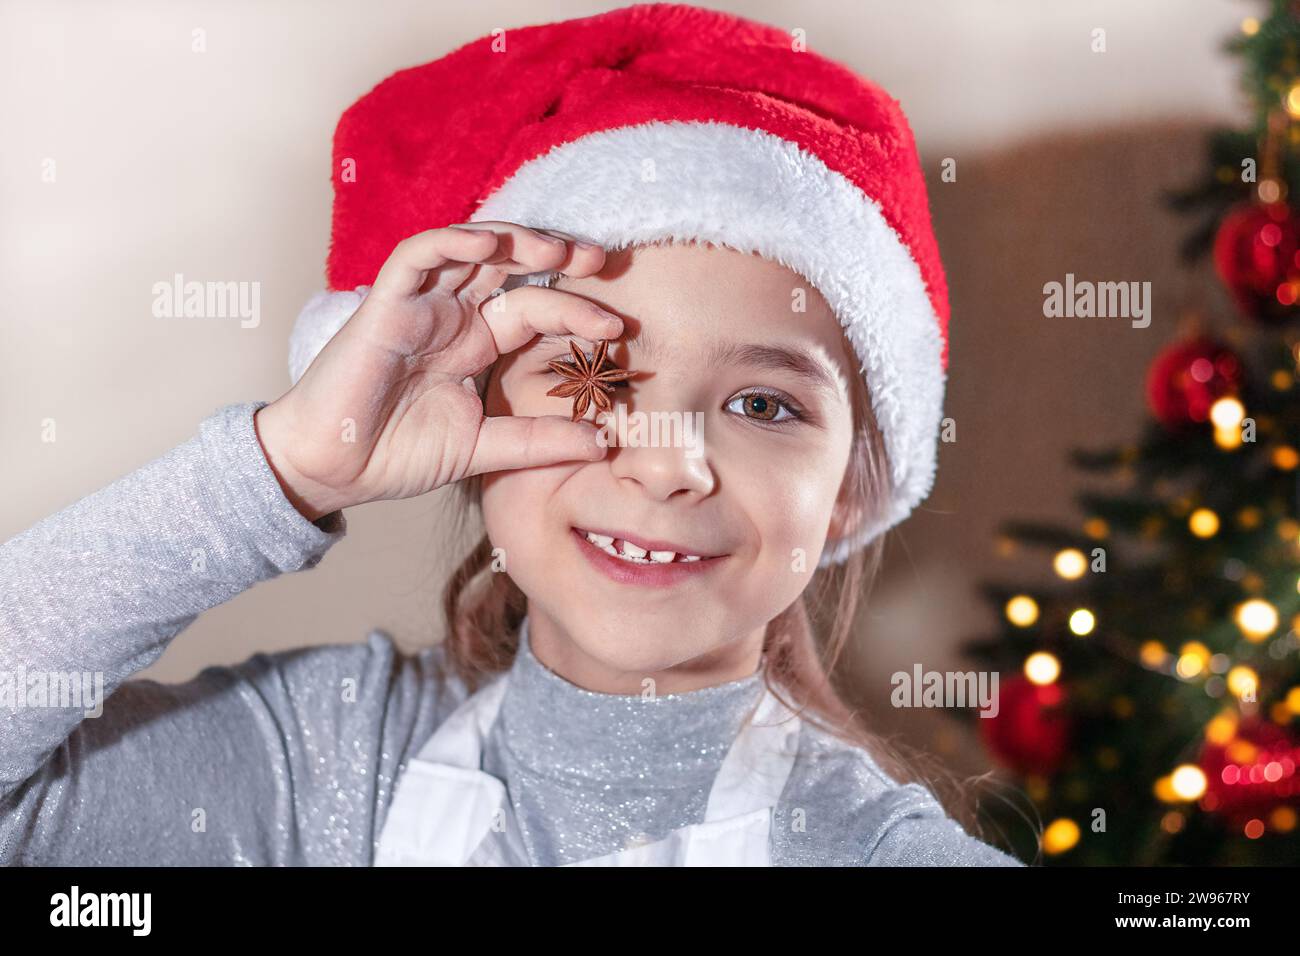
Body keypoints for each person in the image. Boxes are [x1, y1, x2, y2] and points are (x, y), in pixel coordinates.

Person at [0, 3, 1026, 867]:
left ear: (852, 482)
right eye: (593, 371)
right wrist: (285, 467)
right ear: (476, 407)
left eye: (764, 404)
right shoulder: (325, 761)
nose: (668, 461)